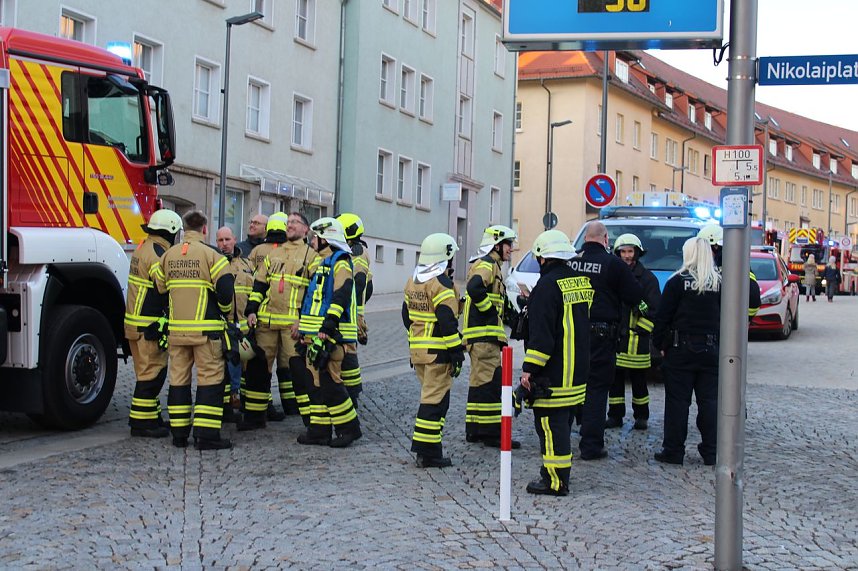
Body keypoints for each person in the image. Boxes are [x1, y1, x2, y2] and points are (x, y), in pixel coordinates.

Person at [652, 237, 759, 466]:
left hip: (680, 350)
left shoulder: (676, 282)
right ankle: (712, 452)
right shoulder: (721, 283)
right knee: (710, 403)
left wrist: (660, 345)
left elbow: (662, 317)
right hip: (712, 350)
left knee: (678, 403)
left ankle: (673, 451)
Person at [155, 210, 235, 450]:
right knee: (210, 379)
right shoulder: (213, 255)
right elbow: (225, 291)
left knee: (178, 379)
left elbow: (159, 287)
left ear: (184, 229)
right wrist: (224, 311)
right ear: (205, 229)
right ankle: (206, 436)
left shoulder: (168, 256)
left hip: (177, 331)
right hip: (206, 332)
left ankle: (179, 435)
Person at [520, 230, 592, 496]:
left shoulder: (546, 286)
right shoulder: (580, 282)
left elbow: (542, 337)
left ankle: (555, 481)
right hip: (577, 371)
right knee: (563, 425)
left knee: (550, 428)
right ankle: (560, 476)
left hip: (554, 374)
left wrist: (529, 370)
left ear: (542, 258)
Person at [571, 221, 643, 460]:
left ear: (585, 239)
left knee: (568, 385)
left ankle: (558, 440)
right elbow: (634, 295)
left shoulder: (571, 261)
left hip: (571, 333)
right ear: (605, 240)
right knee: (596, 389)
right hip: (601, 335)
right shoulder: (613, 264)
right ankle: (591, 445)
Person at [243, 212, 316, 429]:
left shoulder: (311, 256)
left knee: (299, 370)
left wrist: (303, 321)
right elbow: (260, 284)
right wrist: (251, 310)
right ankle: (254, 417)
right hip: (266, 322)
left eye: (295, 222)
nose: (290, 225)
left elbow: (314, 293)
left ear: (305, 229)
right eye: (288, 222)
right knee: (258, 368)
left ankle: (312, 422)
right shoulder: (274, 254)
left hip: (293, 325)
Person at [295, 217, 362, 448]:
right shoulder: (325, 262)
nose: (312, 241)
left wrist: (328, 327)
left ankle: (349, 429)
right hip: (314, 335)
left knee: (331, 383)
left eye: (315, 237)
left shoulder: (340, 261)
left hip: (330, 335)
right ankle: (319, 431)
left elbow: (340, 295)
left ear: (326, 239)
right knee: (316, 385)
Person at [402, 233, 463, 468]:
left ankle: (428, 450)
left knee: (429, 397)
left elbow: (406, 316)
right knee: (435, 402)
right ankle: (427, 453)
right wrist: (456, 352)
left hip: (418, 352)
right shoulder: (442, 284)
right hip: (438, 353)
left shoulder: (413, 281)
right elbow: (447, 321)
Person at [462, 225, 520, 449]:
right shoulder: (487, 264)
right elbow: (475, 288)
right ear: (496, 245)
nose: (510, 249)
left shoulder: (489, 264)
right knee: (491, 383)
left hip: (479, 337)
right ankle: (491, 433)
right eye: (508, 244)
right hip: (484, 336)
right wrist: (490, 314)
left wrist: (512, 317)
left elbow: (495, 298)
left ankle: (475, 429)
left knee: (479, 383)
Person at [126, 209, 182, 438]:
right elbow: (163, 287)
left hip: (135, 323)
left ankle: (152, 417)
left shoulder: (143, 246)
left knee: (145, 373)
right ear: (171, 232)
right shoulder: (159, 254)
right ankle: (141, 424)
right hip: (147, 324)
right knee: (152, 375)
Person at [606, 234, 660, 431]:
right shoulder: (613, 276)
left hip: (637, 340)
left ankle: (641, 416)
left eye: (630, 251)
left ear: (637, 253)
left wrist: (641, 328)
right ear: (618, 253)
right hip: (616, 338)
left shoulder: (648, 279)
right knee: (615, 381)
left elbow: (655, 310)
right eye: (623, 252)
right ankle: (615, 415)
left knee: (639, 382)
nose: (627, 255)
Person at [244, 214, 294, 423]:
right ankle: (292, 405)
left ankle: (259, 408)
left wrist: (250, 309)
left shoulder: (257, 251)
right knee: (288, 363)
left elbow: (251, 279)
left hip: (262, 315)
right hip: (288, 318)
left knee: (261, 364)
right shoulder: (292, 252)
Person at [216, 226, 255, 421]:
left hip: (245, 327)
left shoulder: (247, 264)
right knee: (225, 368)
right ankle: (226, 407)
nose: (224, 244)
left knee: (248, 368)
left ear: (234, 240)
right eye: (220, 240)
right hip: (224, 326)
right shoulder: (214, 263)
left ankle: (246, 403)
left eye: (227, 239)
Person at [337, 213, 373, 408]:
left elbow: (359, 283)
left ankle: (351, 395)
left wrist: (356, 315)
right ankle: (350, 392)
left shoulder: (357, 252)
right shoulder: (351, 249)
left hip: (351, 312)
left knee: (348, 354)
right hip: (350, 310)